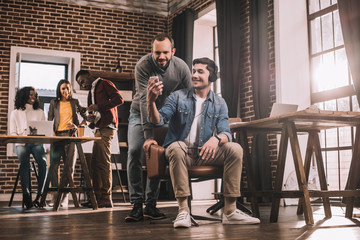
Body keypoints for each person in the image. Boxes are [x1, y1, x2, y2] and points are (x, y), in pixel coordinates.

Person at [146, 57, 260, 228]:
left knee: (235, 148)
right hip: (180, 151)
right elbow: (158, 121)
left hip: (203, 153)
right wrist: (151, 101)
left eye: (200, 71)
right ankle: (183, 211)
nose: (195, 75)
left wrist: (216, 139)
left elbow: (225, 132)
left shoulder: (219, 102)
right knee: (177, 147)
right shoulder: (177, 96)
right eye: (193, 71)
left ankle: (230, 211)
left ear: (212, 77)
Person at [126, 33, 192, 222]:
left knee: (157, 154)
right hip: (140, 112)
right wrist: (148, 135)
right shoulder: (143, 66)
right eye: (157, 53)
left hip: (166, 115)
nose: (161, 57)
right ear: (151, 51)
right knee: (136, 150)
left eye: (165, 52)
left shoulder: (181, 67)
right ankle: (137, 205)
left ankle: (151, 205)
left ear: (172, 51)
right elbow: (144, 102)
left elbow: (190, 98)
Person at [76, 70, 124, 208]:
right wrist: (90, 119)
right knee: (96, 163)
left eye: (83, 81)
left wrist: (99, 106)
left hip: (107, 128)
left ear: (90, 76)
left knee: (103, 162)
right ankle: (96, 198)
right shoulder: (91, 91)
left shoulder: (104, 83)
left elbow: (119, 99)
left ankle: (106, 198)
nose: (83, 85)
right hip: (98, 128)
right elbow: (97, 114)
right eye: (80, 84)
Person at [47, 79, 87, 207]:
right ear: (59, 89)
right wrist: (51, 137)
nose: (66, 91)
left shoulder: (75, 102)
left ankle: (64, 197)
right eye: (63, 88)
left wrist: (77, 125)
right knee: (54, 167)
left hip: (71, 137)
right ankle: (55, 196)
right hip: (57, 137)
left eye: (68, 88)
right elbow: (49, 121)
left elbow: (87, 117)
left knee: (69, 168)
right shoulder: (54, 103)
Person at [9, 86, 47, 209]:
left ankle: (40, 195)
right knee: (25, 164)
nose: (33, 97)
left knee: (43, 163)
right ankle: (26, 195)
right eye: (30, 94)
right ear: (24, 96)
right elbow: (12, 133)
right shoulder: (15, 113)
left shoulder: (40, 112)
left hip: (36, 142)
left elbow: (43, 131)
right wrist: (23, 134)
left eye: (35, 95)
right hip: (21, 142)